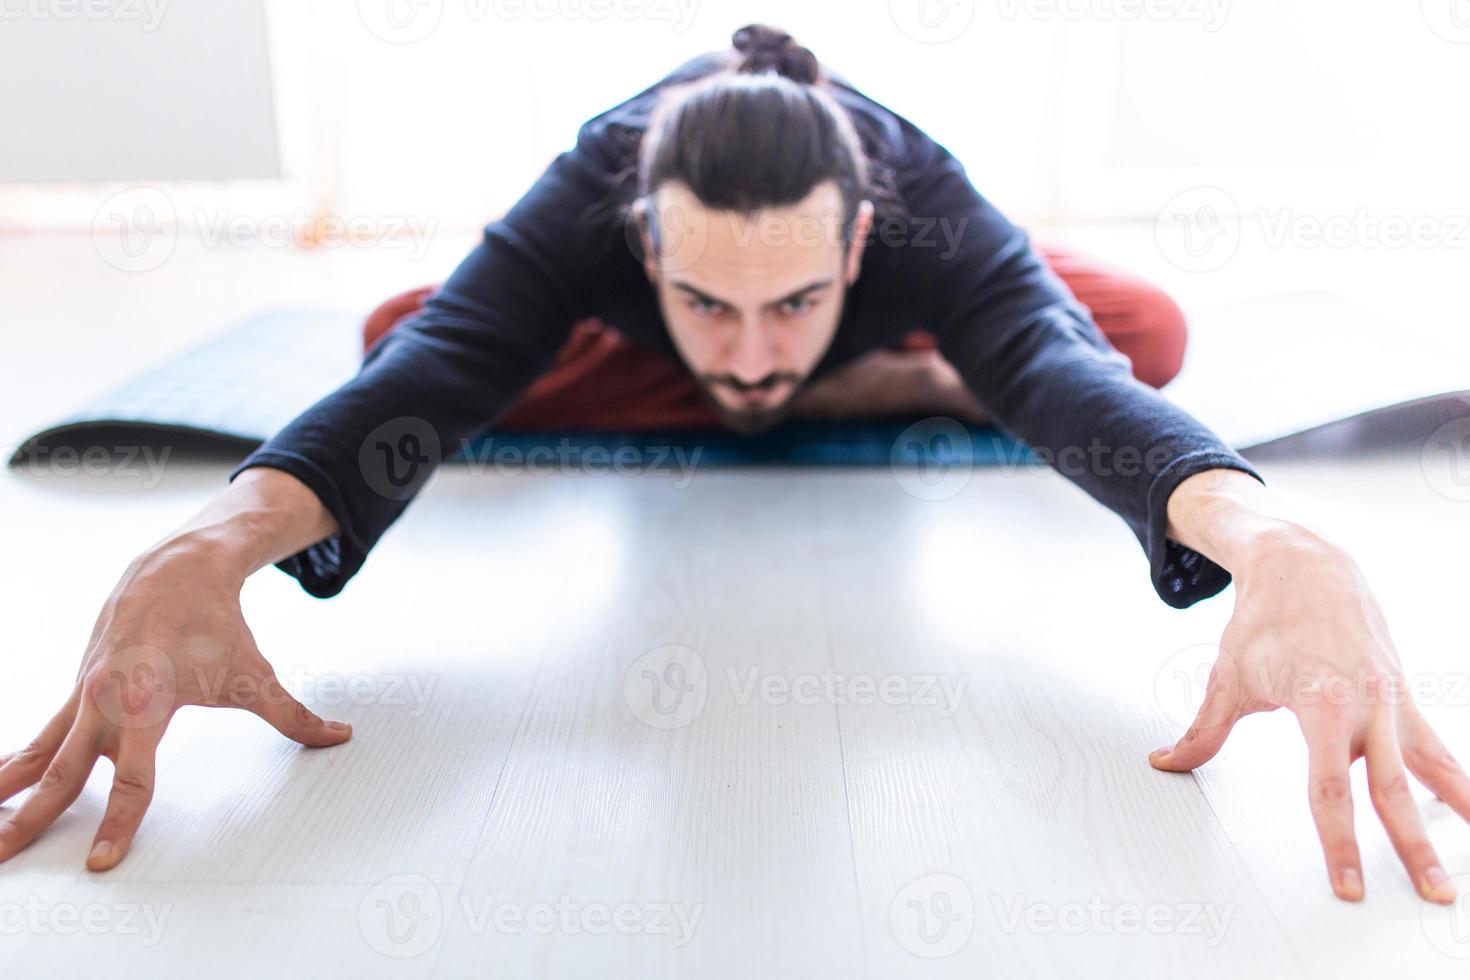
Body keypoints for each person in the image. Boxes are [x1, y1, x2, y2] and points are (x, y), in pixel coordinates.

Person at [1, 26, 1463, 908]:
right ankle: (875, 375)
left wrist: (1283, 548)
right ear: (642, 248)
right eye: (708, 300)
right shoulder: (585, 196)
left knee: (1137, 327)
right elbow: (421, 377)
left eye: (792, 307)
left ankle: (848, 358)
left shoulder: (926, 206)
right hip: (696, 312)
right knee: (405, 328)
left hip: (883, 305)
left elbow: (1072, 378)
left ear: (857, 246)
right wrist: (203, 545)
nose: (754, 354)